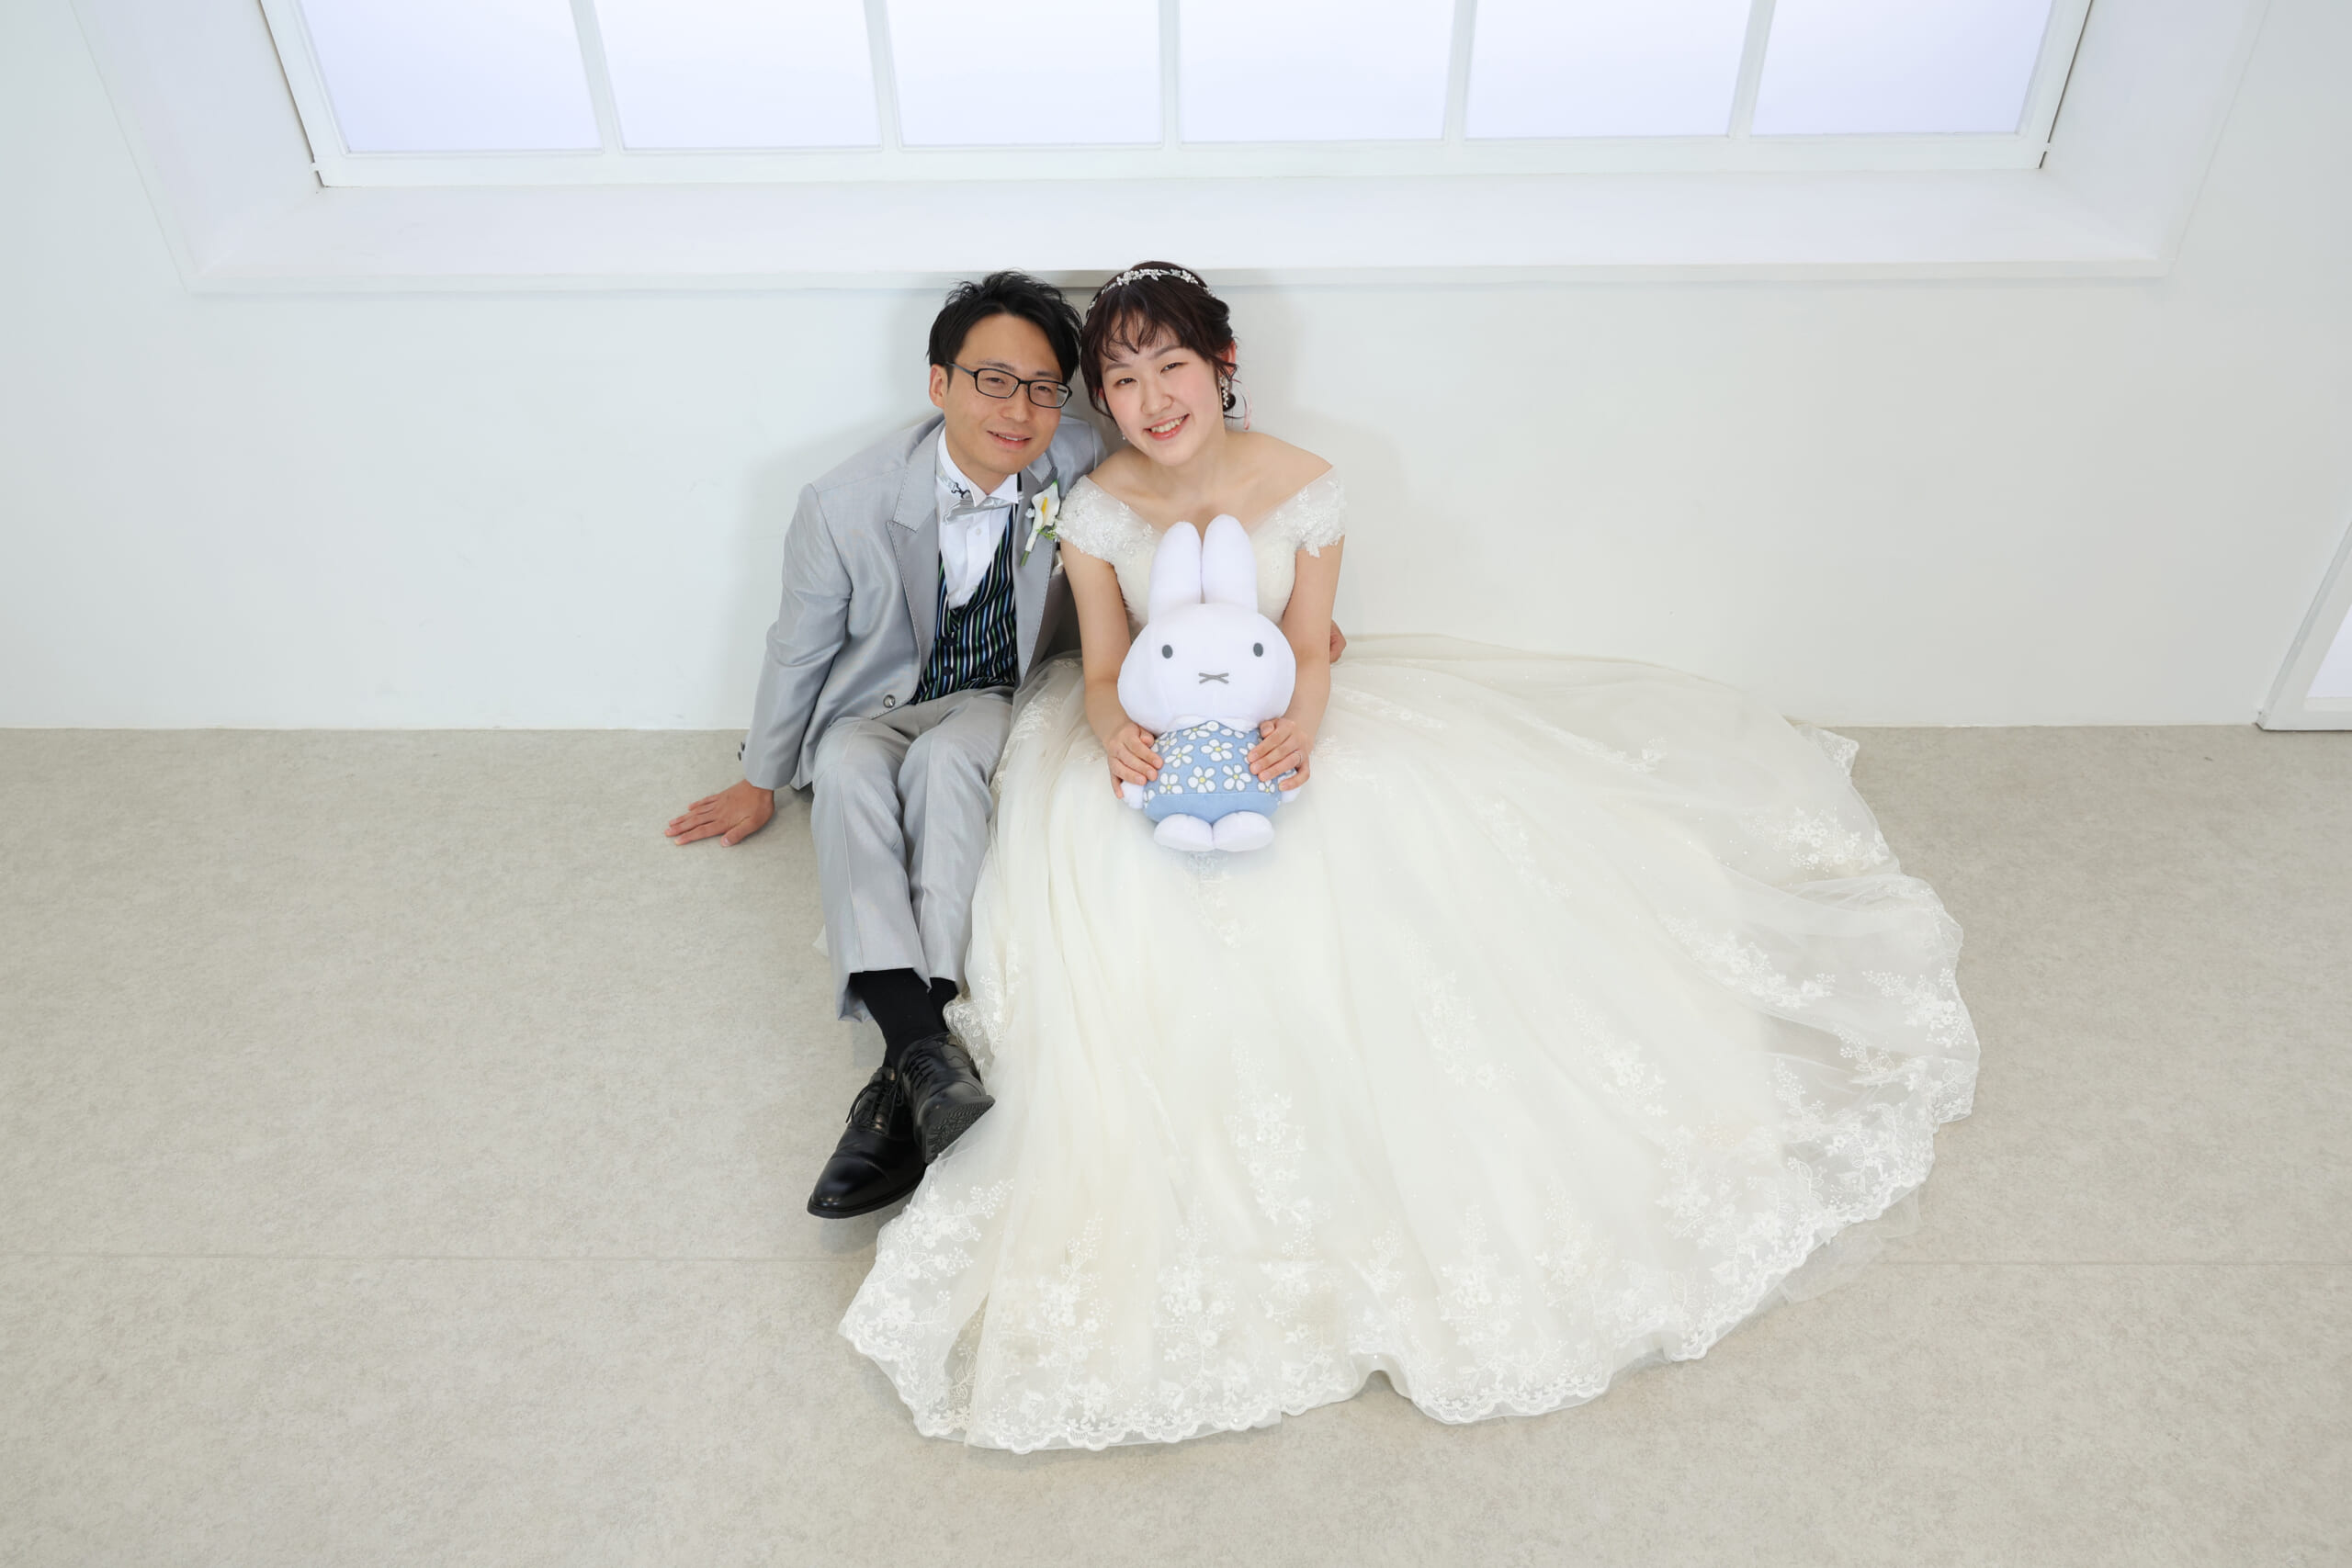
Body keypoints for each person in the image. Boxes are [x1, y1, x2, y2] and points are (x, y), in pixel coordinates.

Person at [838, 263, 1982, 1452]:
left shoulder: (1304, 485)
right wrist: (1115, 727)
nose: (1151, 399)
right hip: (1151, 731)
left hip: (1276, 715)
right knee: (1120, 899)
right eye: (1121, 380)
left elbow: (1309, 647)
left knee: (1389, 871)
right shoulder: (1099, 505)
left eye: (1171, 366)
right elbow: (1110, 662)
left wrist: (1300, 725)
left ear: (1222, 368)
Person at [666, 272, 1102, 1219]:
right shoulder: (843, 502)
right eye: (993, 380)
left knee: (948, 765)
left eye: (1042, 387)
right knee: (847, 767)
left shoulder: (1079, 460)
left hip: (997, 692)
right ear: (939, 382)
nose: (1019, 409)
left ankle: (903, 1055)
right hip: (876, 701)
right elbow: (799, 646)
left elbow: (1177, 499)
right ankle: (929, 1059)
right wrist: (761, 776)